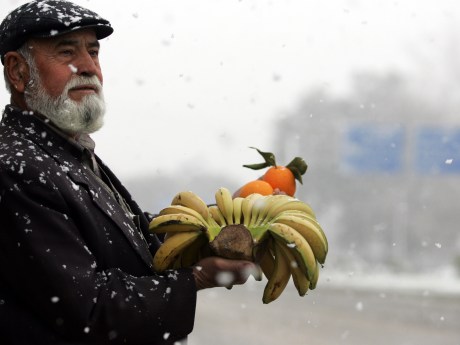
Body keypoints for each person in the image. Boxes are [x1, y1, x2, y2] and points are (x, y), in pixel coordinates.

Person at [0, 1, 259, 344]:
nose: (89, 67)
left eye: (94, 52)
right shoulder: (16, 167)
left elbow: (126, 242)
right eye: (67, 52)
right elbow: (90, 309)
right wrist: (195, 278)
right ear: (18, 72)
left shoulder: (65, 152)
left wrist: (209, 228)